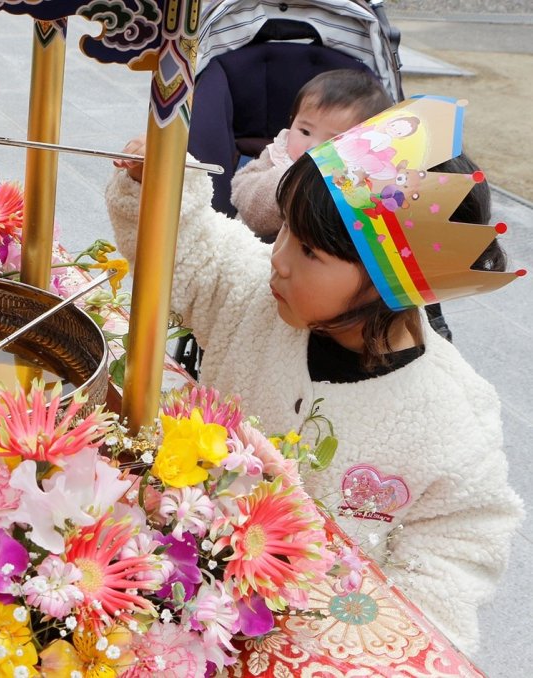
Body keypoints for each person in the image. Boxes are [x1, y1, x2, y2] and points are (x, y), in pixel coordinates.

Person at [108, 96, 524, 654]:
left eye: (308, 250)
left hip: (317, 640)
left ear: (390, 283)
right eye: (283, 231)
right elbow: (191, 250)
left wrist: (382, 645)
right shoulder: (255, 294)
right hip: (184, 591)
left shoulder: (452, 420)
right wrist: (156, 188)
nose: (278, 258)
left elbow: (457, 545)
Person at [230, 69, 392, 242]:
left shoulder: (353, 180)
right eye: (305, 131)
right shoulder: (278, 155)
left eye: (331, 142)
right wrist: (288, 183)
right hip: (255, 245)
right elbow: (243, 195)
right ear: (292, 122)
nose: (313, 148)